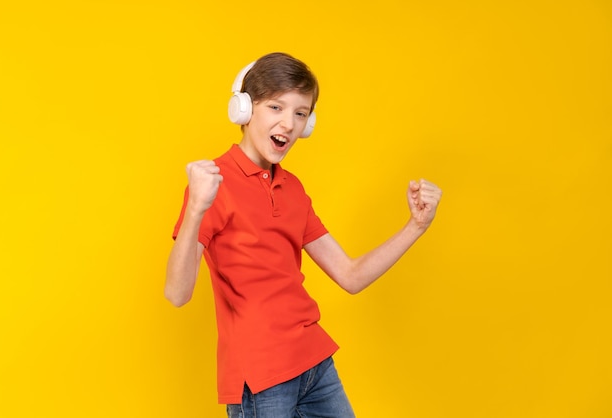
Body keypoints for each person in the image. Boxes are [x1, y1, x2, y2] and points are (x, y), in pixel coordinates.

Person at [165, 52, 442, 418]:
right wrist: (198, 208)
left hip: (315, 363)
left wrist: (416, 226)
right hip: (261, 376)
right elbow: (177, 294)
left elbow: (351, 275)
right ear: (244, 111)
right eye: (276, 107)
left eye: (300, 113)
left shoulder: (293, 189)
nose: (289, 123)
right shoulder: (214, 183)